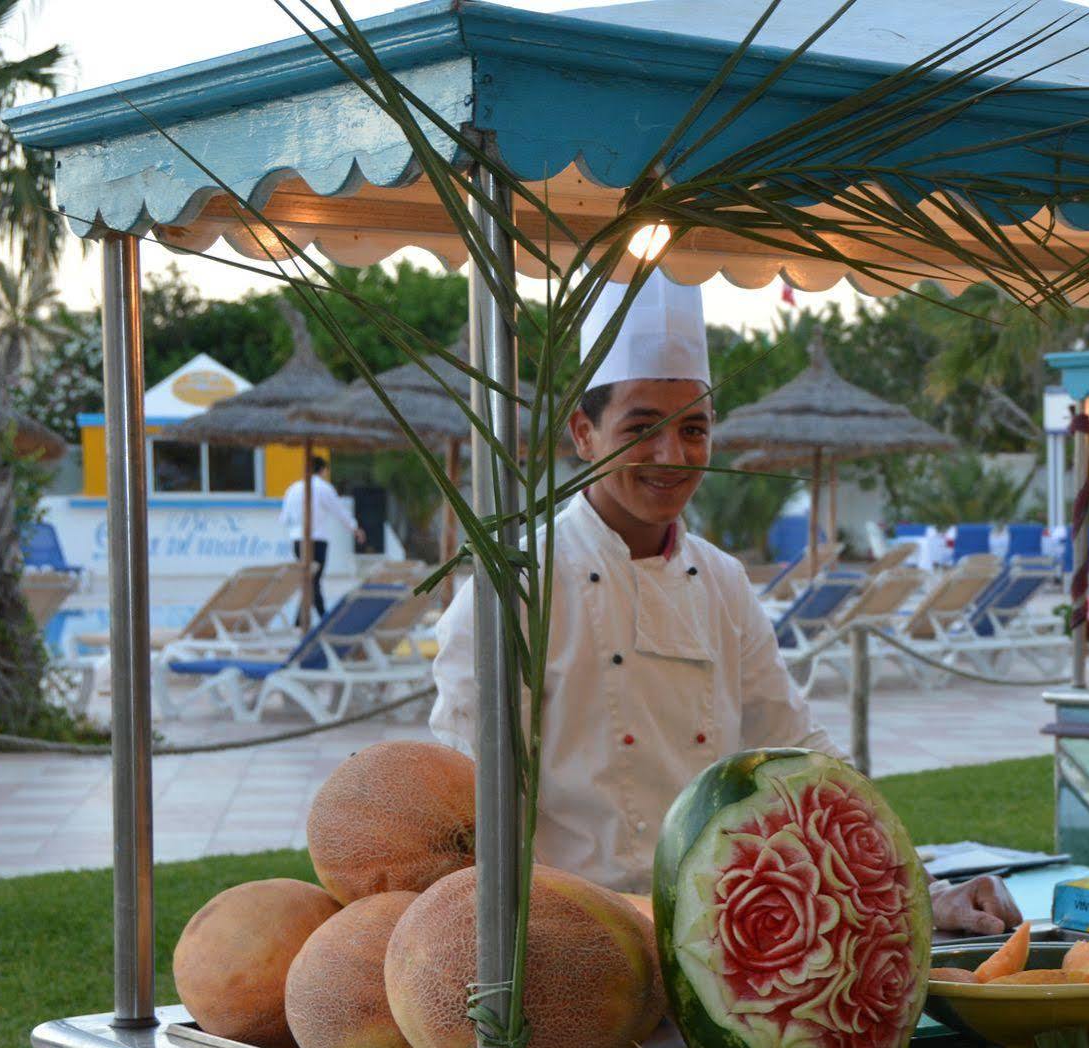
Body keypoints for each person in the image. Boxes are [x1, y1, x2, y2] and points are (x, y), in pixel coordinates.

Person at [429, 275, 1019, 934]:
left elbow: (795, 754)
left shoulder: (720, 579)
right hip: (566, 938)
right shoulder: (514, 585)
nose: (671, 454)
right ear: (583, 433)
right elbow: (463, 801)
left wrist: (922, 885)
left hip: (714, 931)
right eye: (640, 427)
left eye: (694, 429)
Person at [279, 456, 363, 618]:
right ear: (323, 470)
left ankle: (299, 620)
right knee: (314, 580)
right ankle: (324, 617)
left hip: (298, 540)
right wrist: (355, 528)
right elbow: (339, 511)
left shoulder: (293, 489)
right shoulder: (324, 488)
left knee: (308, 580)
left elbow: (283, 518)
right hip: (317, 540)